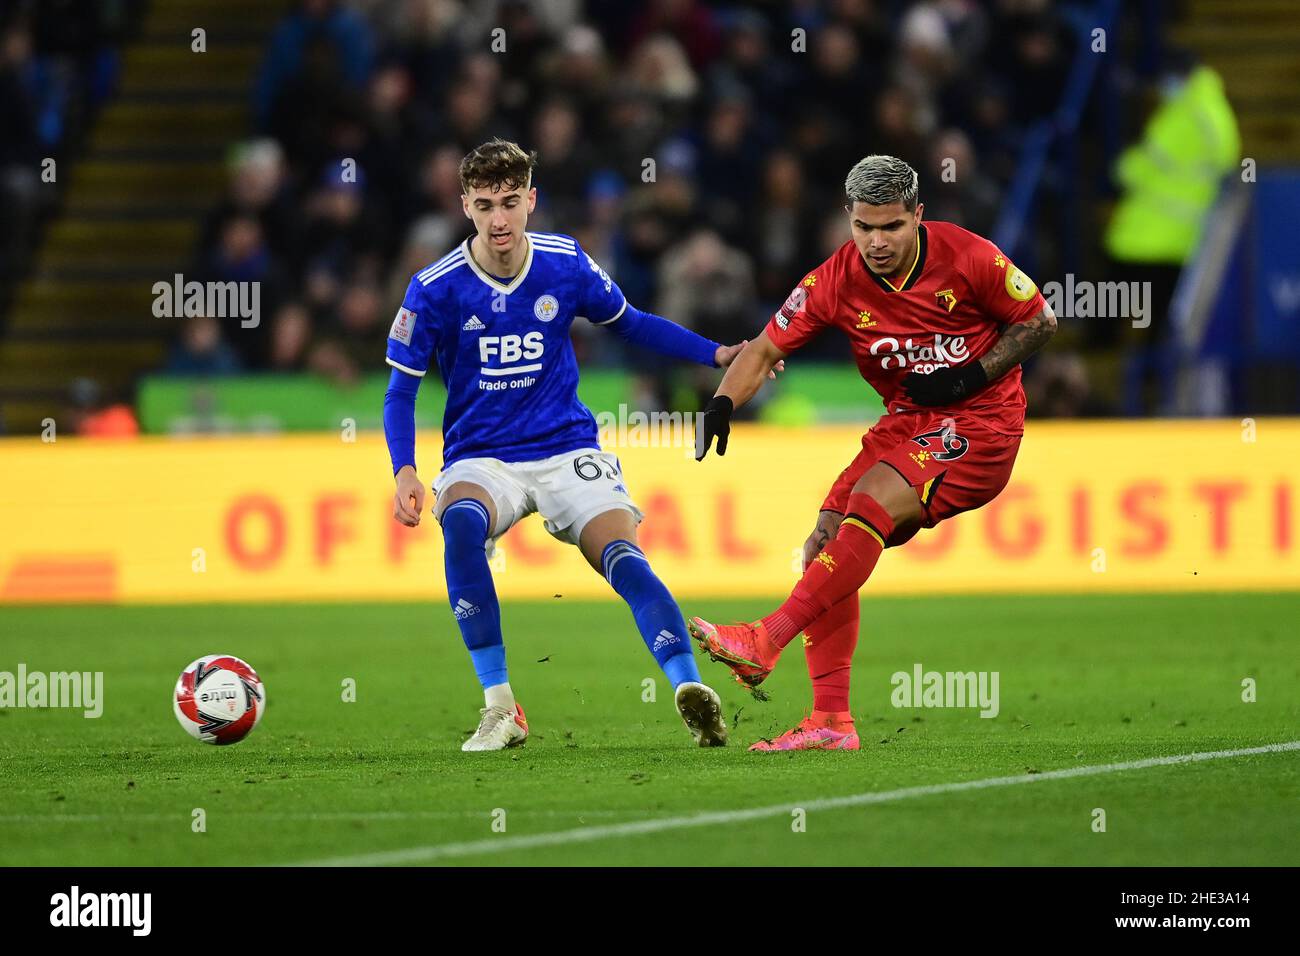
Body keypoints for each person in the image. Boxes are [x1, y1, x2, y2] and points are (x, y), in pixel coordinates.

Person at [384, 138, 772, 751]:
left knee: (621, 553)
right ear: (465, 206)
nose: (500, 218)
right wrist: (405, 470)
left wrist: (718, 352)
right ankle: (501, 706)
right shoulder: (435, 288)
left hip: (566, 446)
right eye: (485, 205)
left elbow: (635, 324)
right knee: (458, 524)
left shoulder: (566, 264)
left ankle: (690, 688)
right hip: (482, 456)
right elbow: (399, 392)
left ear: (531, 200)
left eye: (511, 202)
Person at [692, 154, 1056, 751]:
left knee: (871, 497)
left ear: (918, 215)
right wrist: (722, 403)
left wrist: (970, 377)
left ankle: (767, 638)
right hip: (907, 426)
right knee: (826, 540)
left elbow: (1040, 320)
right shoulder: (836, 278)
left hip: (982, 425)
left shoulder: (968, 256)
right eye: (864, 227)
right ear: (848, 218)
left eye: (891, 227)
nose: (876, 241)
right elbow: (761, 349)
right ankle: (832, 721)